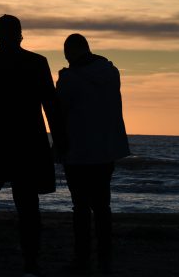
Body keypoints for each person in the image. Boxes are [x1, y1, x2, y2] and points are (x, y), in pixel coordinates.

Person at [0, 15, 62, 277]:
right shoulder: (36, 63)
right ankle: (30, 265)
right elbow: (51, 107)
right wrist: (59, 142)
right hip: (26, 147)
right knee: (28, 208)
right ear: (20, 34)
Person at [56, 33, 130, 275]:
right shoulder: (111, 73)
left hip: (78, 151)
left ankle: (82, 259)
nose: (66, 59)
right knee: (102, 207)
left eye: (67, 54)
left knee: (80, 207)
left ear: (72, 51)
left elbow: (60, 112)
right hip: (105, 150)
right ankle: (105, 259)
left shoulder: (69, 79)